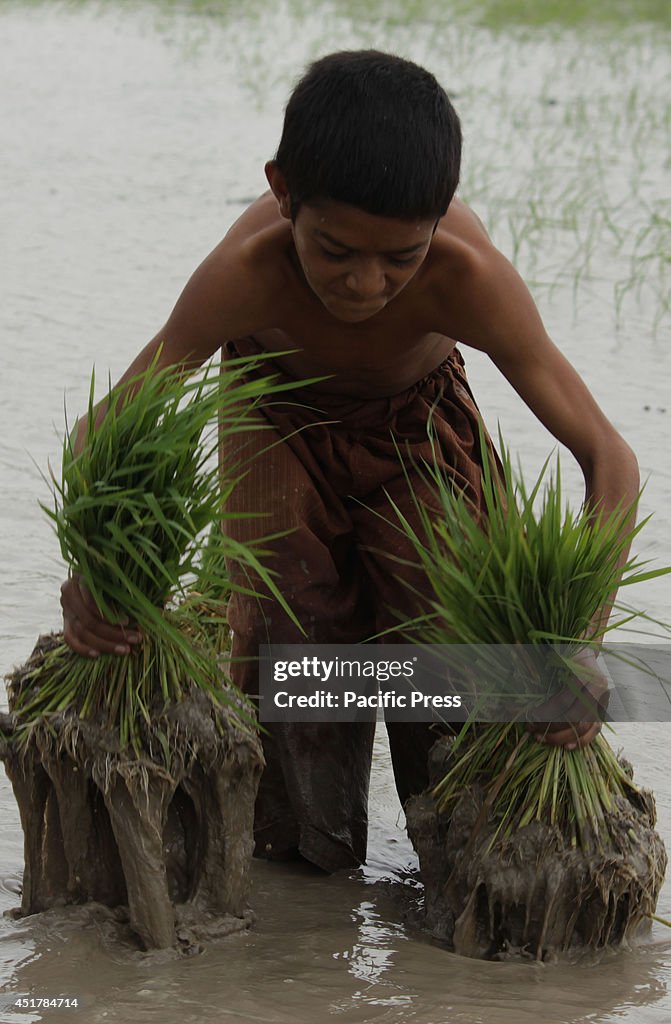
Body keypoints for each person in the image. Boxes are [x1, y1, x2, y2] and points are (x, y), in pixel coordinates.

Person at [60, 50, 639, 872]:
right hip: (273, 412)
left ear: (437, 221)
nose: (365, 283)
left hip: (416, 422)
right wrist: (95, 567)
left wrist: (583, 641)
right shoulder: (245, 274)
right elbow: (106, 427)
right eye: (333, 251)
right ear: (283, 191)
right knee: (295, 622)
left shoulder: (466, 279)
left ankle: (448, 855)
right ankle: (305, 870)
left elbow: (607, 455)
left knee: (442, 629)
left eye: (399, 258)